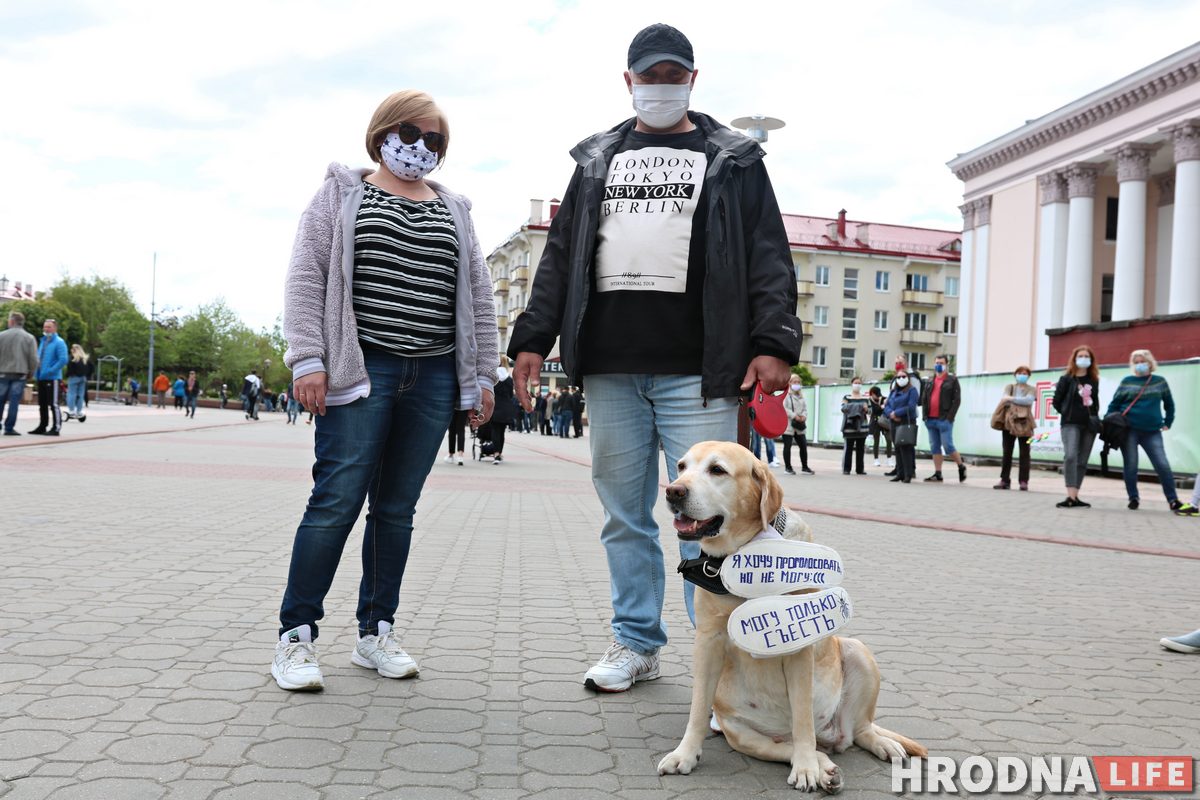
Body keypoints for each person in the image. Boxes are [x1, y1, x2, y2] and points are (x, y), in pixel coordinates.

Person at [508, 24, 800, 693]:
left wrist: (773, 343)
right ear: (628, 80)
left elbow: (767, 256)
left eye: (673, 76)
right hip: (611, 368)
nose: (661, 86)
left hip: (702, 373)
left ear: (693, 80)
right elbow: (560, 257)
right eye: (650, 76)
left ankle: (728, 659)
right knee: (624, 514)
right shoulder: (596, 160)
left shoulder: (734, 158)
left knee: (717, 517)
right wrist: (532, 337)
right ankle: (637, 643)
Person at [272, 89, 498, 692]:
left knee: (396, 509)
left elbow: (477, 294)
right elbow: (305, 276)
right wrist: (308, 360)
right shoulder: (342, 193)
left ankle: (376, 632)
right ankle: (296, 637)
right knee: (337, 500)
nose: (421, 146)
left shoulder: (455, 209)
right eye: (411, 133)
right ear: (383, 132)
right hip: (360, 369)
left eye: (435, 140)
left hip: (434, 373)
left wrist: (481, 377)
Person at [1106, 349, 1194, 513]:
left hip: (1152, 431)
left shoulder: (1159, 382)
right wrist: (1110, 421)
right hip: (1129, 430)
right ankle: (1133, 498)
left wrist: (1168, 421)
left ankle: (1173, 500)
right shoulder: (1127, 381)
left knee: (1162, 465)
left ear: (1150, 362)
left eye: (1143, 361)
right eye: (1137, 362)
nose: (1140, 365)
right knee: (1131, 465)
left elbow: (1169, 404)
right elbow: (1114, 405)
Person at [1051, 344, 1100, 509]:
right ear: (1074, 359)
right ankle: (1070, 496)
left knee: (1082, 460)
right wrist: (1067, 412)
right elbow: (1056, 401)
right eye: (1081, 356)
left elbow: (1096, 402)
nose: (1084, 359)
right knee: (1071, 456)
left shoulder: (1093, 380)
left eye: (1087, 356)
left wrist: (1094, 416)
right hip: (1070, 423)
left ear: (1091, 360)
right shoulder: (1066, 379)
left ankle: (1075, 496)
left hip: (1089, 425)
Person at [920, 354, 965, 483]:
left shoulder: (952, 380)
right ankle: (938, 473)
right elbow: (924, 398)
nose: (938, 365)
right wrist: (925, 416)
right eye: (937, 362)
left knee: (948, 446)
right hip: (931, 419)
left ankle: (961, 466)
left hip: (944, 419)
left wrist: (950, 417)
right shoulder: (930, 380)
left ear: (946, 365)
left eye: (941, 363)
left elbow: (956, 401)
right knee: (934, 447)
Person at [994, 365, 1036, 491]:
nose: (1022, 375)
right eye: (1020, 373)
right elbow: (1004, 399)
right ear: (1015, 374)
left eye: (1025, 373)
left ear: (1028, 376)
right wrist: (1014, 400)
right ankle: (1004, 480)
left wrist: (1011, 399)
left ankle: (1024, 481)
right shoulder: (1009, 387)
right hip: (1009, 422)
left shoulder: (1032, 389)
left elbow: (1028, 401)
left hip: (1025, 423)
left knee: (1025, 453)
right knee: (1007, 452)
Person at [0, 311, 38, 436]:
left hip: (2, 373)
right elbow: (33, 358)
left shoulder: (2, 335)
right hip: (20, 373)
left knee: (0, 400)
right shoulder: (29, 338)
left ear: (12, 321)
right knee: (14, 402)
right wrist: (31, 372)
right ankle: (9, 428)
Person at [30, 319, 67, 436]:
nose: (46, 329)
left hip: (52, 378)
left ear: (55, 328)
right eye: (45, 327)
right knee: (42, 403)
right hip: (41, 377)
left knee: (53, 403)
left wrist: (51, 370)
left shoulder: (59, 342)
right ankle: (42, 425)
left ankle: (56, 428)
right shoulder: (43, 341)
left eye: (49, 327)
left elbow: (63, 360)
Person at [884, 368, 919, 483]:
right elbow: (887, 405)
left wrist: (897, 413)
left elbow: (911, 406)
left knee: (906, 449)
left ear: (908, 378)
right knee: (897, 448)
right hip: (894, 422)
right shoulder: (893, 392)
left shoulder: (912, 390)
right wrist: (891, 414)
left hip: (906, 422)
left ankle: (908, 474)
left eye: (904, 376)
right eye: (898, 377)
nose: (901, 379)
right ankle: (900, 473)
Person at [781, 378, 813, 475]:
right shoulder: (786, 395)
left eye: (798, 382)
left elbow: (805, 409)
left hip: (800, 426)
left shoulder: (801, 396)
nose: (797, 384)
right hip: (789, 425)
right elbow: (784, 408)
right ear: (790, 383)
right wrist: (795, 416)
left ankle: (805, 467)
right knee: (787, 446)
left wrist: (804, 416)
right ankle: (788, 467)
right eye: (794, 382)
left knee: (803, 446)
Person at [841, 377, 870, 475]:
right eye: (855, 383)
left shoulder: (865, 398)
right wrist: (858, 407)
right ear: (852, 384)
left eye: (859, 383)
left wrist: (866, 409)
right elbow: (843, 408)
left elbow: (870, 411)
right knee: (848, 449)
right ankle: (846, 469)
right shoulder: (847, 397)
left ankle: (860, 469)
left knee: (860, 449)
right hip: (849, 427)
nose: (857, 385)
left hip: (862, 427)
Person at [490, 362, 515, 463]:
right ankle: (499, 453)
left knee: (495, 431)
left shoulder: (493, 379)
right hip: (505, 408)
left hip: (495, 407)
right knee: (502, 432)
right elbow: (511, 395)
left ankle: (495, 453)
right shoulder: (509, 379)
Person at [867, 385, 892, 468]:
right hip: (875, 423)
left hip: (884, 422)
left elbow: (888, 403)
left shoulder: (882, 398)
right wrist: (882, 407)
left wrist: (885, 403)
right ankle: (876, 459)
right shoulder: (869, 401)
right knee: (876, 441)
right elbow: (873, 411)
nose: (878, 396)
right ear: (872, 394)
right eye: (876, 395)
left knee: (889, 440)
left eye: (878, 394)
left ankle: (889, 458)